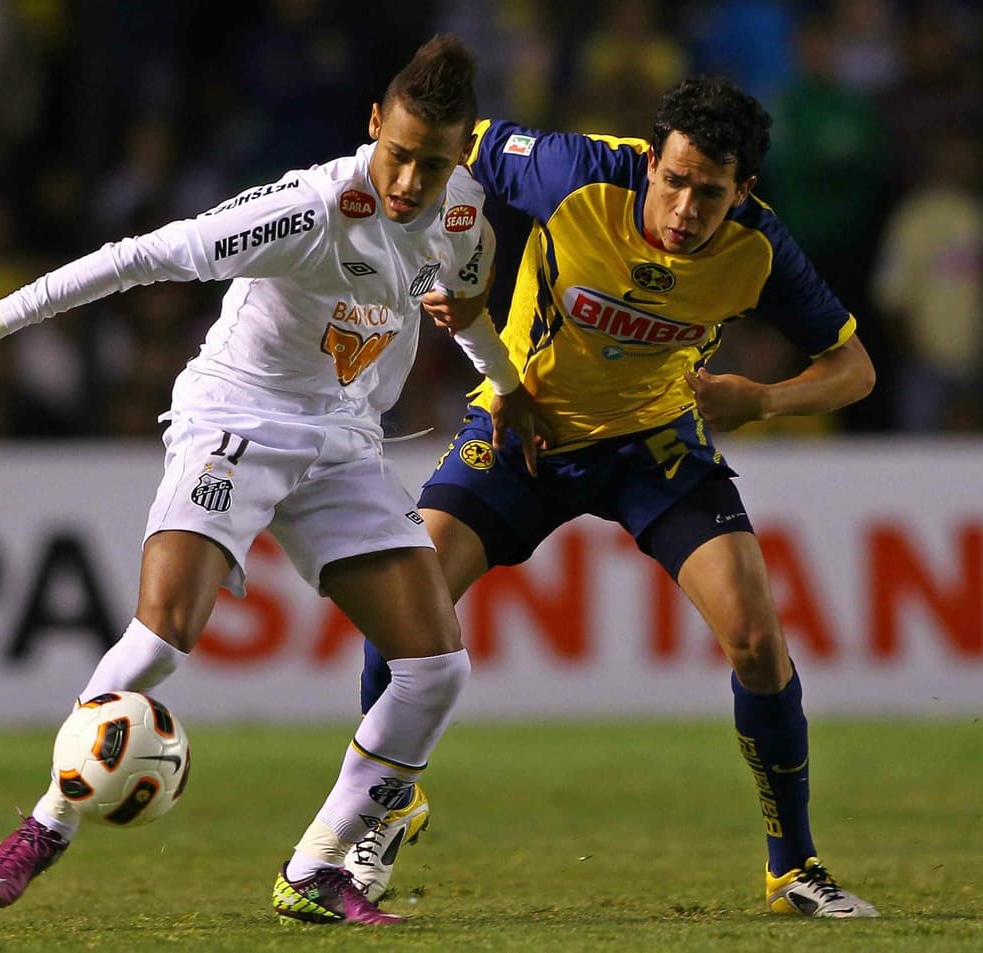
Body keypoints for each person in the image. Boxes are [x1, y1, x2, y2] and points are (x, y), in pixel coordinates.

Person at [0, 34, 521, 926]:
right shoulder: (308, 208)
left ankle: (317, 866)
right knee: (160, 640)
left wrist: (509, 385)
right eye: (398, 153)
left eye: (432, 161)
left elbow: (460, 309)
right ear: (373, 124)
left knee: (437, 667)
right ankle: (51, 820)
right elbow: (141, 255)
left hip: (342, 441)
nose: (410, 180)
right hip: (238, 418)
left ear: (461, 151)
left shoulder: (462, 215)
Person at [351, 75, 881, 918]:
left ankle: (795, 869)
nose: (684, 208)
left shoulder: (762, 248)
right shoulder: (572, 173)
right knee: (401, 602)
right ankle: (383, 806)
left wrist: (767, 398)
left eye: (710, 193)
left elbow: (855, 370)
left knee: (753, 636)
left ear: (743, 190)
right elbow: (449, 146)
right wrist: (457, 261)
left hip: (653, 445)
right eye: (673, 181)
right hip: (524, 428)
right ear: (651, 163)